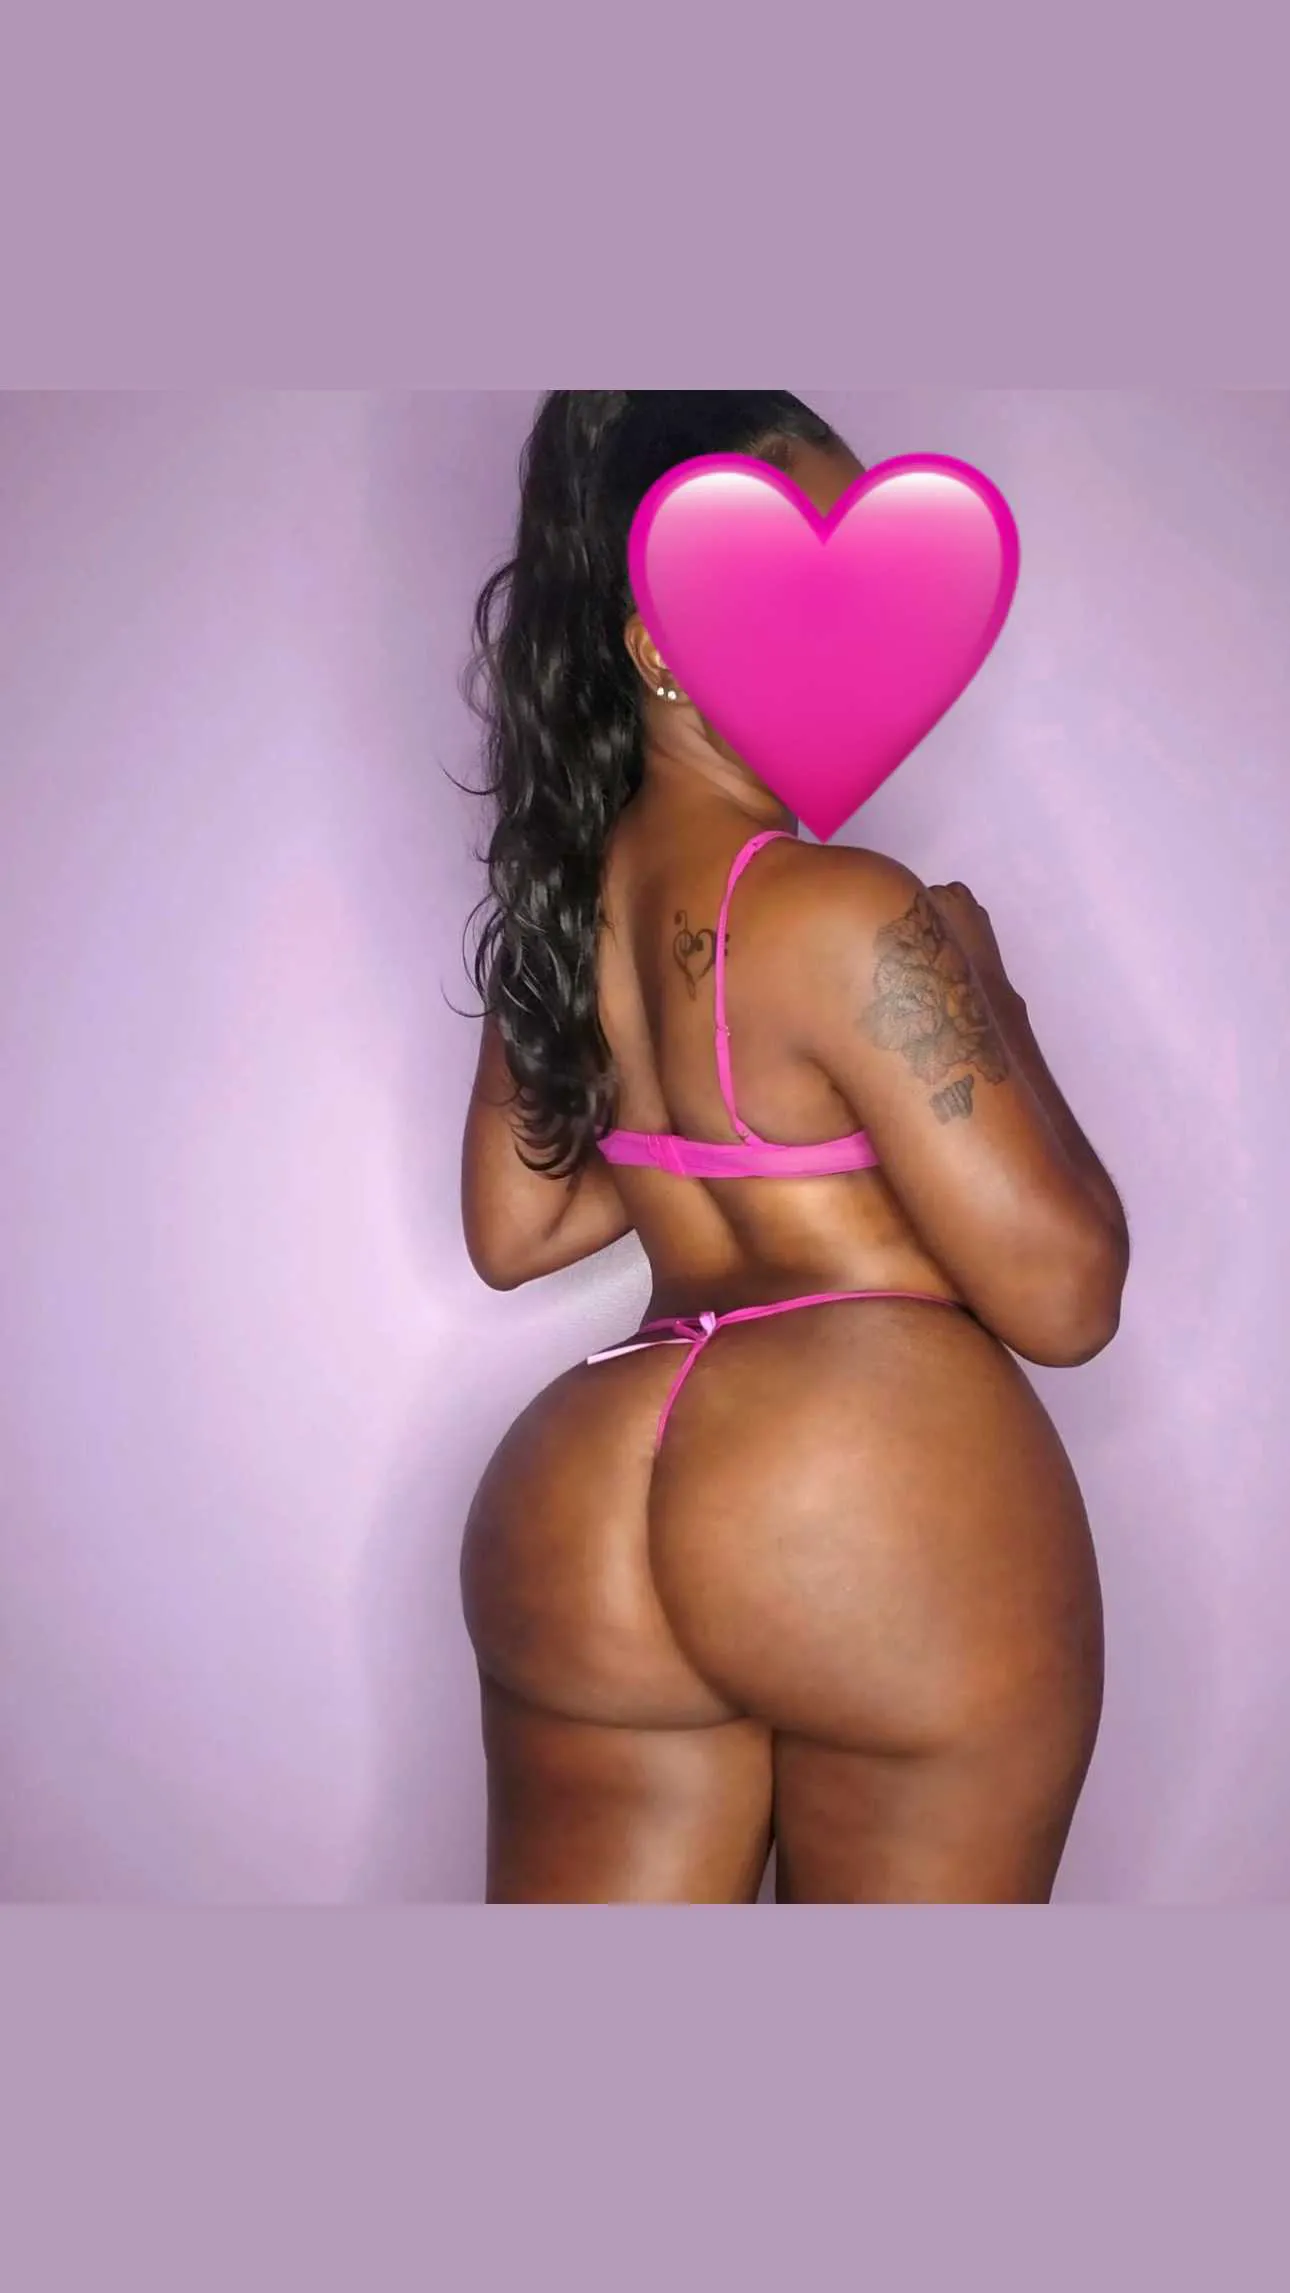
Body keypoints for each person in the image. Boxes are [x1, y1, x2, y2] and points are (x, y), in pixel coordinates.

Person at [458, 391, 1130, 1904]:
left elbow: (518, 1228)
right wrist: (992, 995)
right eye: (804, 592)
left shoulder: (566, 910)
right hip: (862, 1498)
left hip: (582, 1504)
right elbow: (1067, 1296)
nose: (861, 638)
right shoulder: (847, 910)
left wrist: (716, 1118)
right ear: (661, 644)